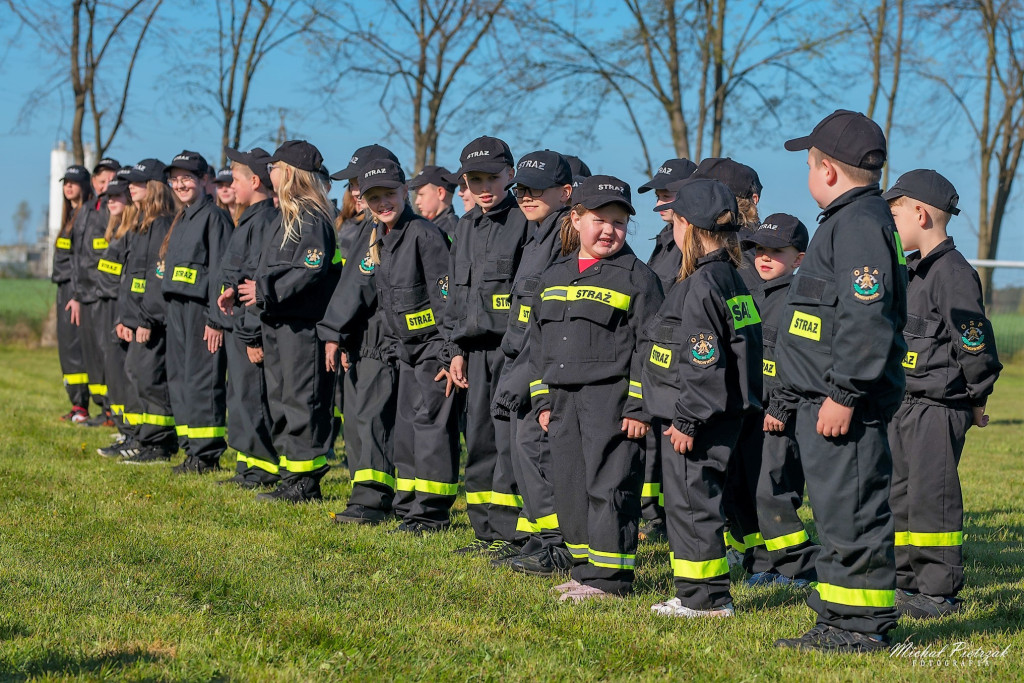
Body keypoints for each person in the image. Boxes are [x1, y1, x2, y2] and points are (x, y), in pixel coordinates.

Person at [772, 110, 907, 653]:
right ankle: (838, 615)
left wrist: (843, 393)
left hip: (841, 402)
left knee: (852, 513)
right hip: (821, 399)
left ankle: (860, 628)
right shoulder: (851, 221)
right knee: (835, 513)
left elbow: (866, 317)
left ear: (826, 171)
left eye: (808, 163)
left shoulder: (857, 224)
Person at [529, 175, 664, 602]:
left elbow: (652, 348)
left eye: (619, 222)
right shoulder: (552, 276)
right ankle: (585, 571)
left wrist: (640, 407)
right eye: (599, 219)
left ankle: (611, 581)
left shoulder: (639, 279)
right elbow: (538, 346)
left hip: (613, 401)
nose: (609, 230)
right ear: (575, 219)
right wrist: (542, 400)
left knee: (610, 486)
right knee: (571, 487)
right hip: (564, 401)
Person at [639, 177, 761, 618]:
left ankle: (705, 600)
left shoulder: (703, 285)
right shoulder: (733, 278)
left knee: (692, 507)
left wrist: (687, 420)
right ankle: (700, 592)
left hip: (696, 418)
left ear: (687, 225)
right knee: (701, 503)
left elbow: (703, 362)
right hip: (724, 413)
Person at [883, 169, 1002, 619]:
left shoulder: (953, 274)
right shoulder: (912, 272)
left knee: (934, 498)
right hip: (905, 405)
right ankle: (904, 581)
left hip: (939, 408)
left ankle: (938, 591)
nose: (890, 224)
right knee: (901, 496)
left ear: (921, 213)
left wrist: (977, 397)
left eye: (894, 213)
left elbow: (974, 342)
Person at [355, 158, 458, 531]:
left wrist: (449, 353)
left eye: (390, 194)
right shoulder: (383, 238)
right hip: (406, 352)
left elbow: (446, 299)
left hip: (433, 349)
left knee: (430, 428)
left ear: (405, 192)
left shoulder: (425, 236)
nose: (383, 203)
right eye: (374, 197)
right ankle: (410, 505)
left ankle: (431, 514)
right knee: (408, 430)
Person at [438, 136, 529, 557]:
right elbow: (456, 299)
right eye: (475, 180)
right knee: (478, 441)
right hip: (472, 354)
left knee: (509, 444)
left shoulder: (526, 223)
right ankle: (484, 532)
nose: (484, 187)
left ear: (510, 175)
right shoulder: (464, 227)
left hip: (511, 353)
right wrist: (453, 349)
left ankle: (513, 533)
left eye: (492, 177)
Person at [235, 140, 340, 502]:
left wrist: (264, 291)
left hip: (301, 328)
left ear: (292, 173)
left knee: (301, 401)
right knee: (280, 400)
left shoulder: (312, 217)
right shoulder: (285, 219)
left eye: (275, 168)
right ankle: (290, 472)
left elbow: (310, 269)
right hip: (277, 324)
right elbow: (268, 270)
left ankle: (305, 481)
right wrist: (242, 293)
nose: (269, 174)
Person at [489, 150, 575, 575]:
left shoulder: (565, 237)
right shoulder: (538, 234)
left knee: (538, 450)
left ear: (565, 192)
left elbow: (549, 321)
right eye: (521, 188)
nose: (525, 196)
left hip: (544, 367)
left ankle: (561, 547)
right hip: (522, 360)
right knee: (525, 450)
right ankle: (542, 539)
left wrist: (522, 377)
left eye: (536, 189)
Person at [320, 144, 401, 524]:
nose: (354, 192)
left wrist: (334, 330)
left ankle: (371, 501)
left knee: (371, 421)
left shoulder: (383, 233)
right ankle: (364, 494)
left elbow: (358, 288)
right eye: (353, 186)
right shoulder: (371, 229)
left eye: (357, 183)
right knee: (358, 419)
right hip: (364, 339)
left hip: (380, 342)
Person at [744, 214, 821, 586]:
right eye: (760, 249)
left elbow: (801, 360)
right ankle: (765, 564)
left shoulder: (800, 298)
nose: (764, 257)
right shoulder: (752, 293)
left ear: (799, 259)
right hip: (752, 412)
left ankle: (799, 567)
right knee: (754, 490)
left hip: (781, 415)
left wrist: (781, 406)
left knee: (774, 490)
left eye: (776, 251)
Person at [635, 157, 697, 542]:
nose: (661, 198)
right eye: (657, 192)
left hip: (680, 361)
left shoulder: (690, 243)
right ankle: (657, 520)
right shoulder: (662, 242)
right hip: (655, 357)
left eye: (668, 192)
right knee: (655, 449)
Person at [160, 150, 233, 475]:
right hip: (176, 309)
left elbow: (221, 269)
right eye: (175, 179)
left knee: (202, 381)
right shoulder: (183, 217)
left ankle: (206, 455)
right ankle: (190, 449)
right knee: (179, 379)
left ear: (204, 180)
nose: (180, 184)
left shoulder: (213, 217)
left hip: (202, 313)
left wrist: (217, 319)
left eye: (187, 178)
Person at [214, 147, 280, 486]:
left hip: (249, 330)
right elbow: (240, 276)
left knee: (254, 397)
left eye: (235, 178)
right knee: (240, 396)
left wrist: (253, 334)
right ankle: (247, 465)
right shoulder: (250, 218)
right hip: (238, 326)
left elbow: (258, 281)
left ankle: (264, 468)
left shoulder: (265, 221)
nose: (230, 184)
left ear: (255, 181)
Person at [113, 159, 181, 463]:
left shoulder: (163, 223)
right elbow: (133, 278)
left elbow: (158, 276)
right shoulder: (143, 223)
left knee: (151, 378)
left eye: (138, 182)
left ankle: (160, 445)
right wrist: (126, 317)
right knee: (137, 374)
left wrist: (147, 318)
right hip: (138, 317)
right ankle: (144, 438)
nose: (130, 186)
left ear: (153, 187)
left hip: (151, 320)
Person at [70, 157, 119, 427]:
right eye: (101, 181)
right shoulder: (87, 210)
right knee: (92, 354)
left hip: (106, 293)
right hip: (86, 294)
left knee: (108, 351)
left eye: (111, 181)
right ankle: (103, 408)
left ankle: (114, 409)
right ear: (94, 183)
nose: (106, 186)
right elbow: (78, 257)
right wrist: (76, 295)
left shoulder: (116, 210)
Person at [53, 164, 94, 424]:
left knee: (76, 349)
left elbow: (84, 259)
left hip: (75, 290)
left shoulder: (86, 216)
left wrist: (78, 295)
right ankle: (76, 403)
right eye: (65, 182)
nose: (68, 186)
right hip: (63, 288)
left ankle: (83, 405)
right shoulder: (68, 217)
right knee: (67, 350)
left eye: (74, 182)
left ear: (85, 185)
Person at [409, 165, 459, 239]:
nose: (417, 202)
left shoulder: (451, 232)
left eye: (421, 194)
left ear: (440, 193)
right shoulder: (428, 227)